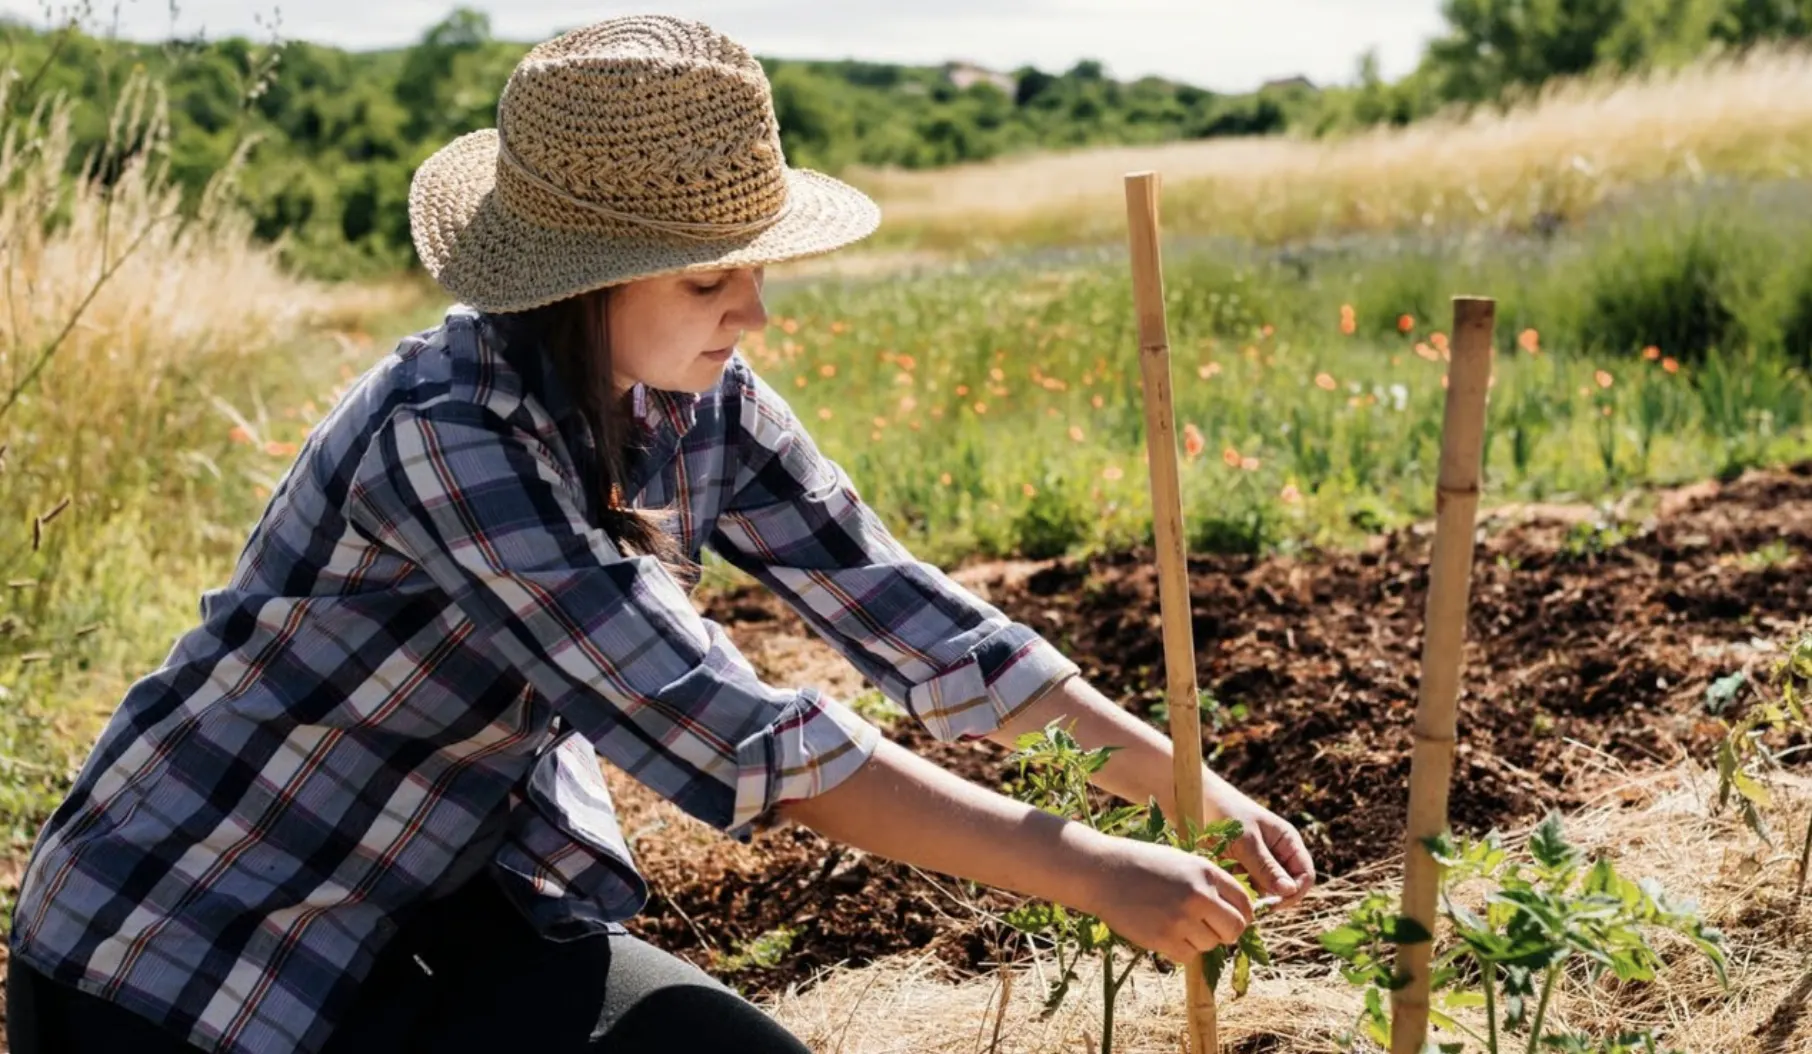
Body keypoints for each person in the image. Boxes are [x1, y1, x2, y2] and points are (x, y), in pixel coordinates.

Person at [4, 16, 1314, 1054]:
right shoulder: (448, 433)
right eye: (707, 277)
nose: (754, 311)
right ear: (582, 282)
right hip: (195, 943)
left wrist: (1187, 788)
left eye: (756, 265)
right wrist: (1089, 867)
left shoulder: (696, 398)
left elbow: (908, 610)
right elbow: (731, 732)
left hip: (442, 890)